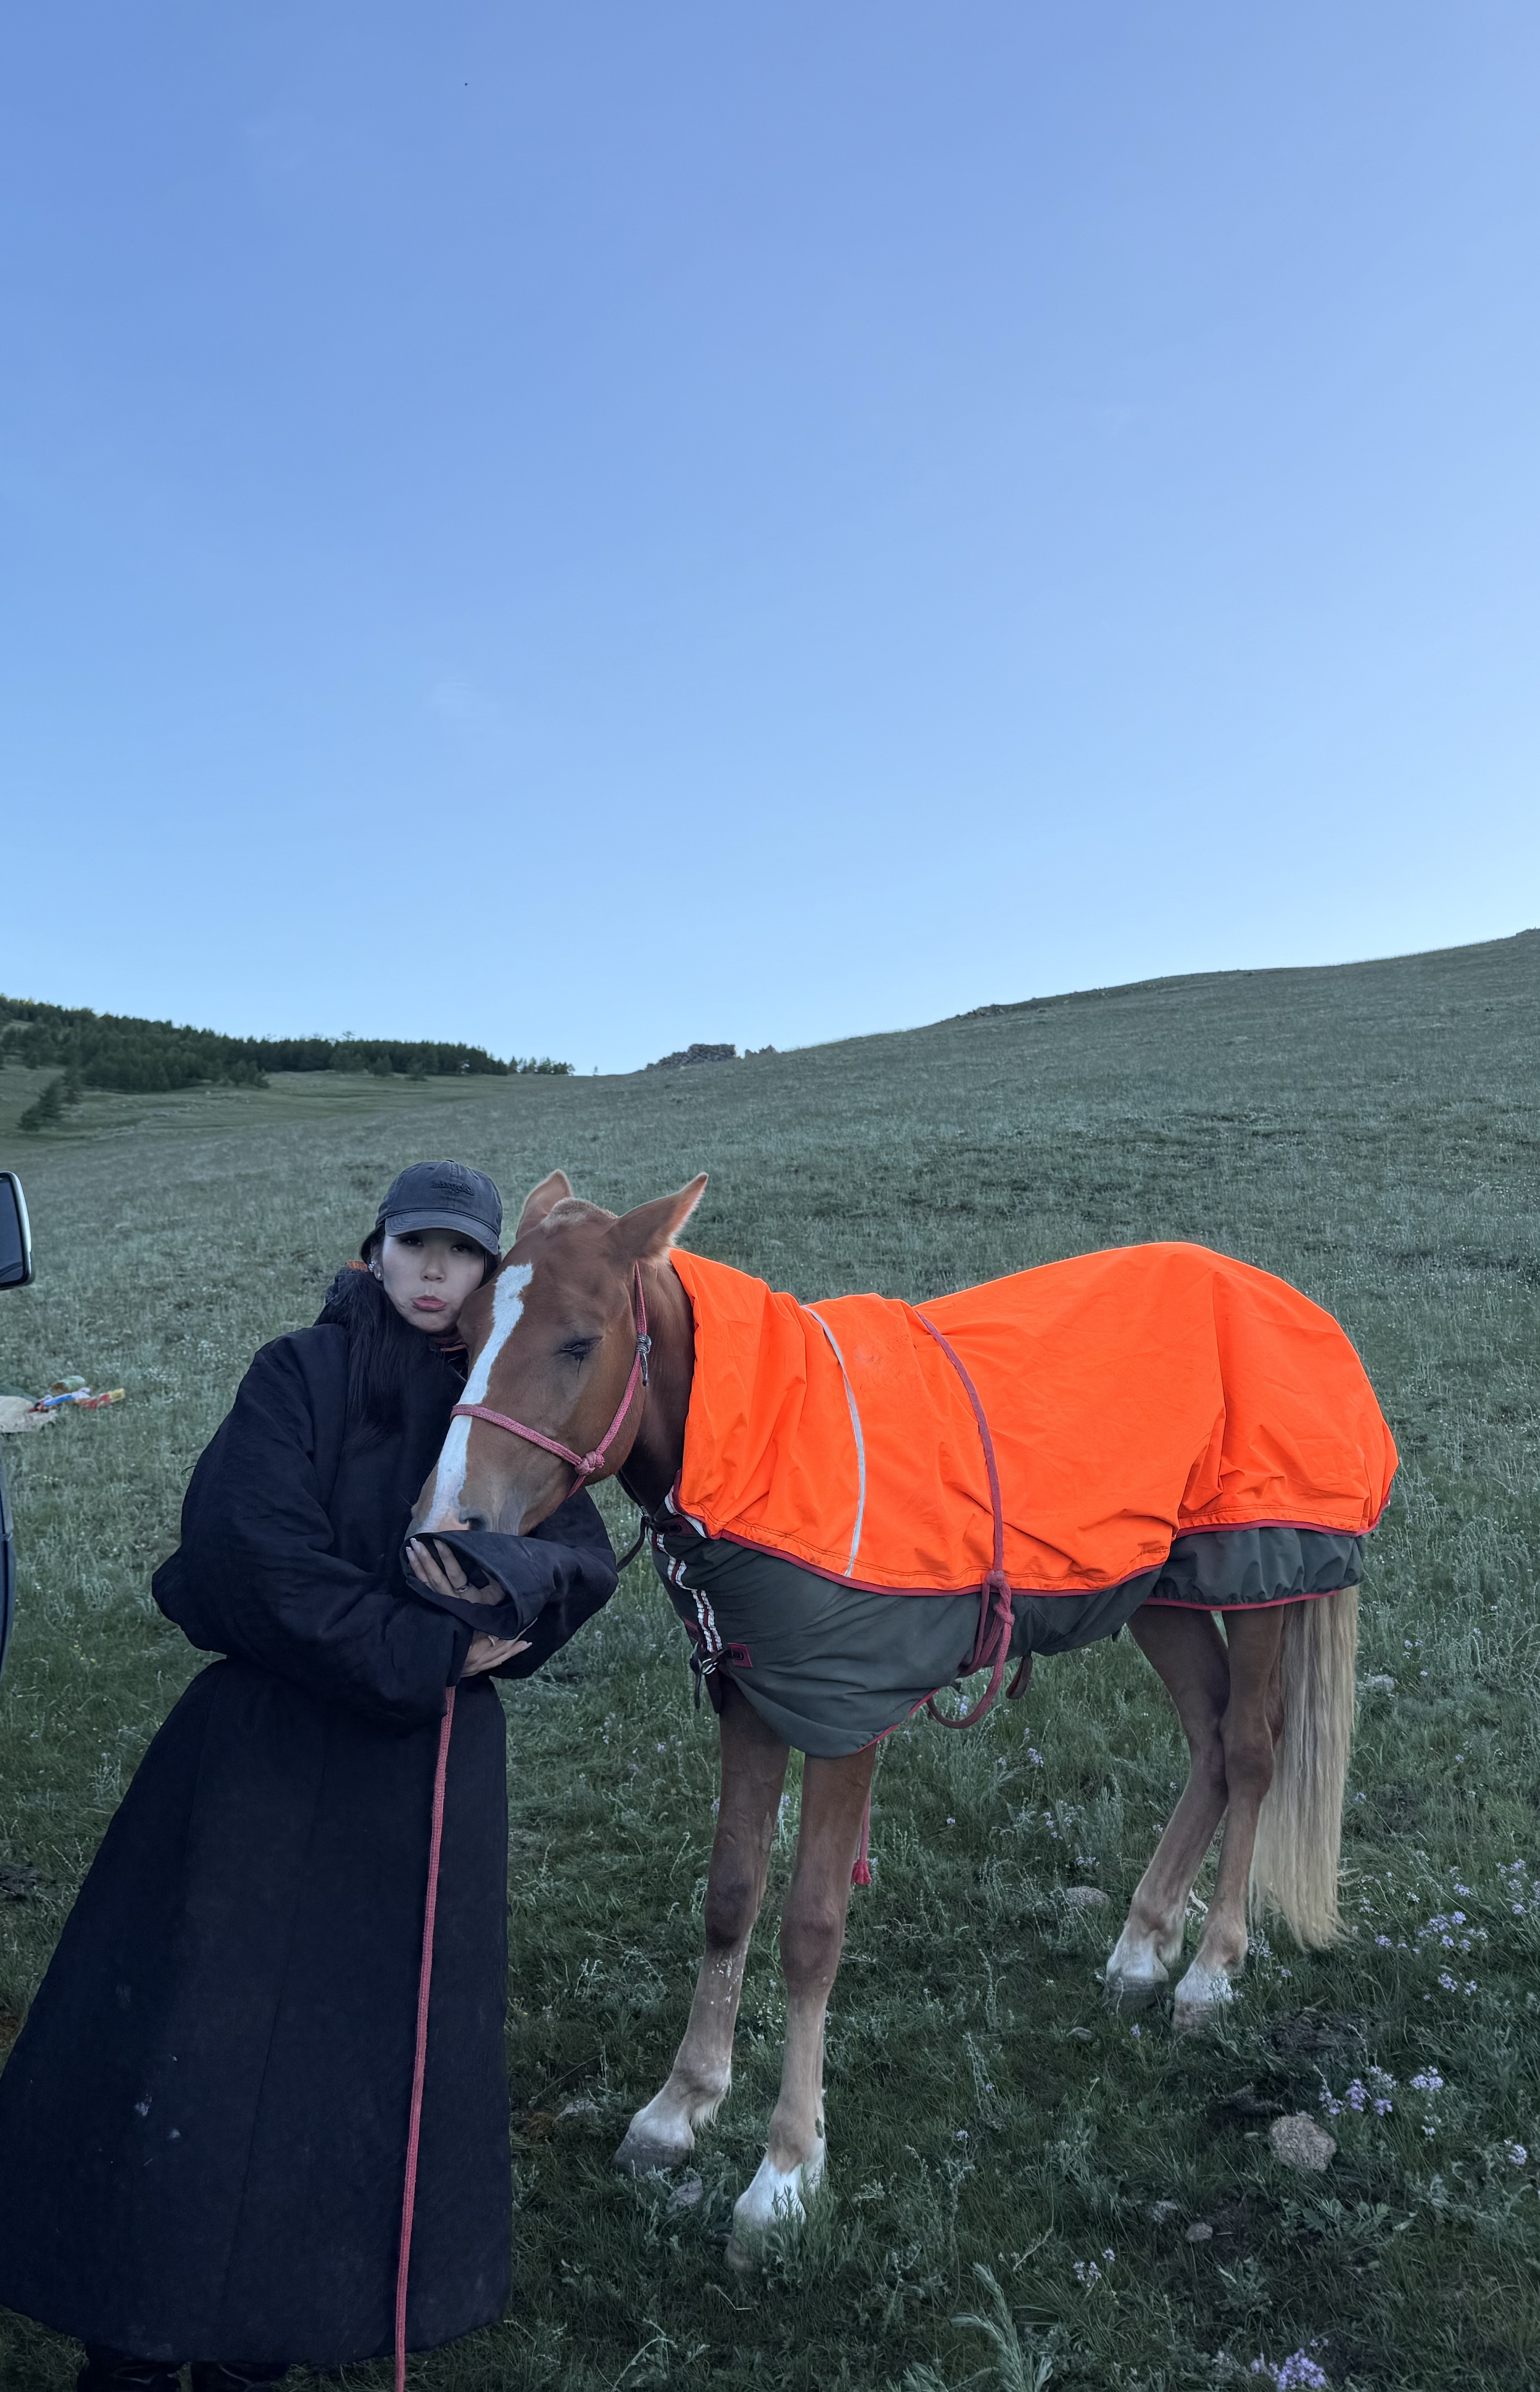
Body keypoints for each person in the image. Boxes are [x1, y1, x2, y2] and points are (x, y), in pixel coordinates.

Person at [0, 1161, 617, 2392]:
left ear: (487, 1272)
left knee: (338, 2090)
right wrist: (428, 1647)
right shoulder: (296, 1373)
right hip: (256, 1777)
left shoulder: (496, 1392)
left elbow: (576, 1557)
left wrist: (516, 1592)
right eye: (416, 1244)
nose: (435, 1270)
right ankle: (130, 2346)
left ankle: (261, 2352)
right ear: (376, 1250)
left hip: (412, 1803)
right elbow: (246, 1556)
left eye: (463, 1252)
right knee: (187, 2058)